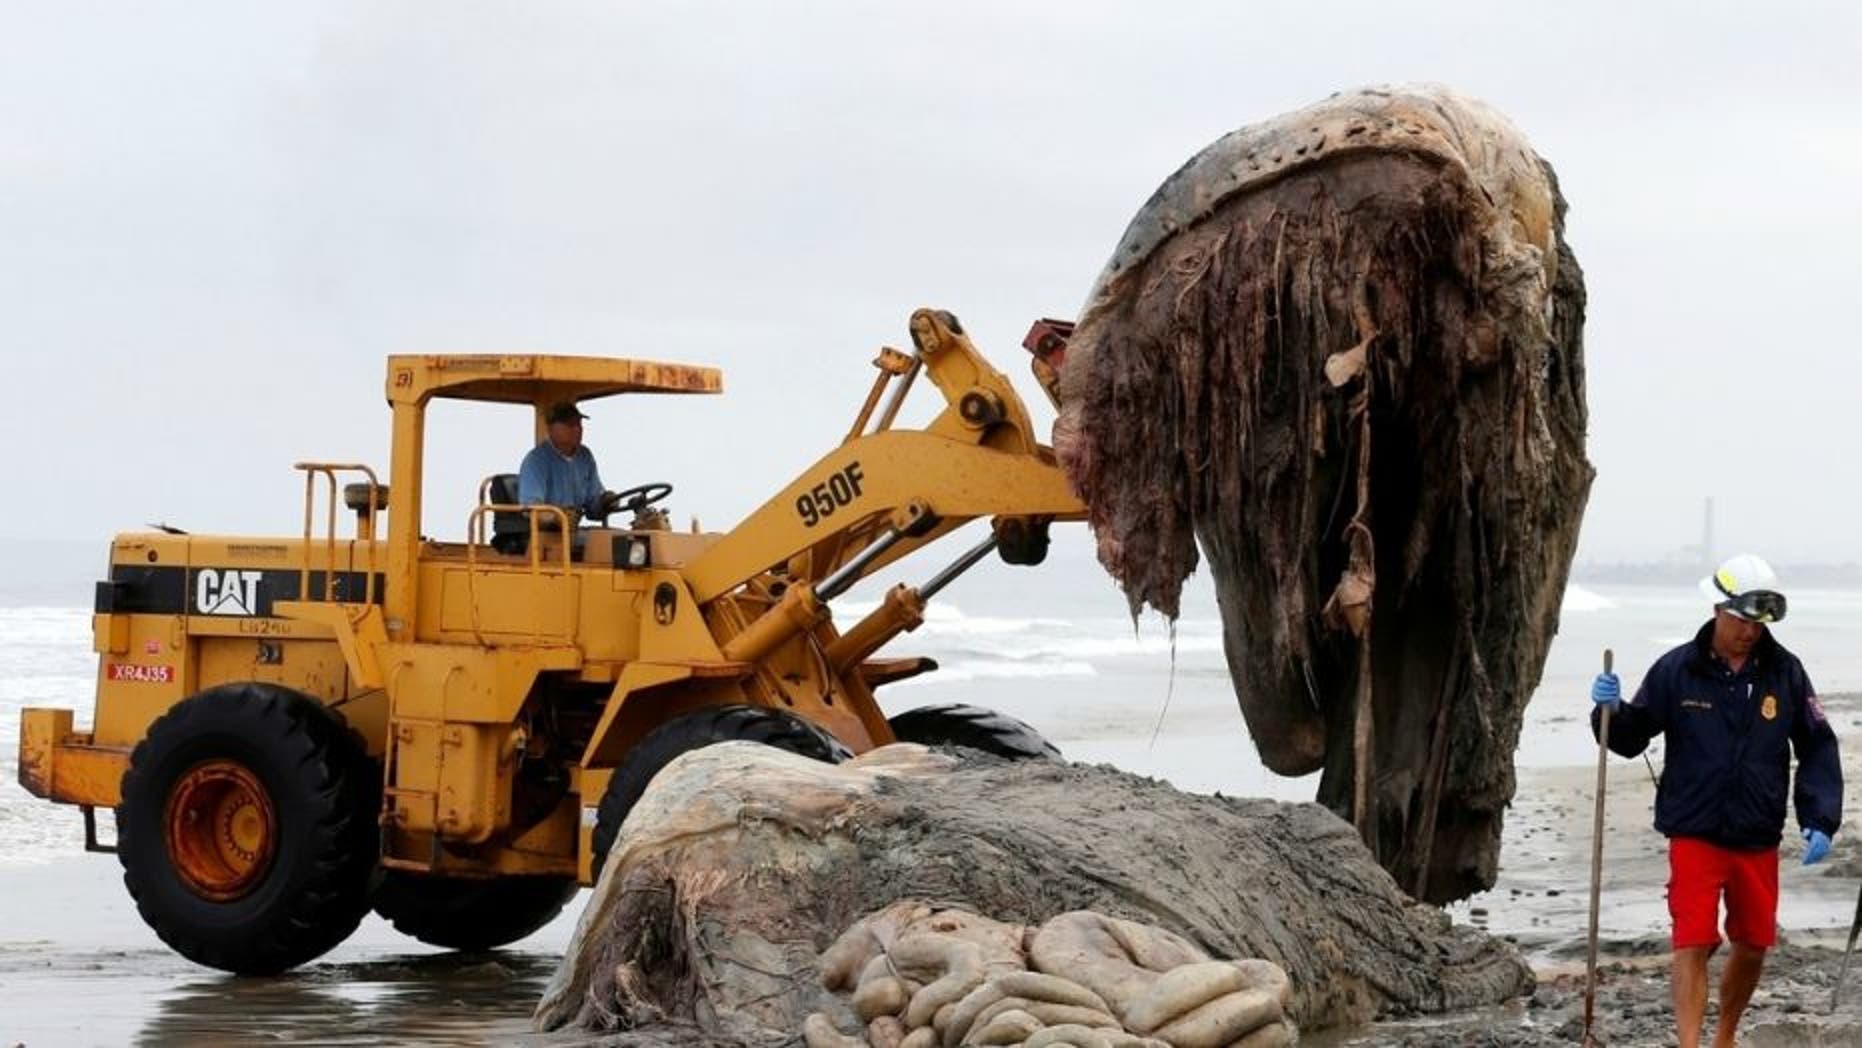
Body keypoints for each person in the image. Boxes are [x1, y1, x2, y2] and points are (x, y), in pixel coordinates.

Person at [1590, 552, 1842, 1048]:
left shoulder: (1786, 673)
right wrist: (1609, 709)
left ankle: (1724, 1034)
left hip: (1756, 833)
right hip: (1694, 828)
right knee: (1694, 938)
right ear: (1717, 609)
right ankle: (1690, 1044)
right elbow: (1629, 736)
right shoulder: (1676, 669)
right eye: (1741, 619)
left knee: (1752, 945)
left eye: (1759, 622)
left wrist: (1820, 817)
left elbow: (1817, 744)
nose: (1750, 631)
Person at [517, 401, 619, 524]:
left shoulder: (585, 456)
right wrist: (557, 518)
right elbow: (531, 508)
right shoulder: (536, 460)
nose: (577, 429)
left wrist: (606, 501)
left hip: (572, 532)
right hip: (546, 536)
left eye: (579, 424)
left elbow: (593, 505)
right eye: (570, 424)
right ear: (550, 428)